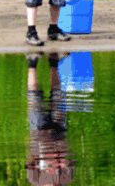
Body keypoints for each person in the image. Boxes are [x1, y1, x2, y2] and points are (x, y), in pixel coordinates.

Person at [25, 53, 74, 185]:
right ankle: (53, 63)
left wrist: (42, 159)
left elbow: (29, 161)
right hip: (59, 130)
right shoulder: (65, 179)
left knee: (34, 97)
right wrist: (63, 161)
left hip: (38, 132)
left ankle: (32, 63)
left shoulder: (35, 180)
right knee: (58, 93)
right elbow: (71, 159)